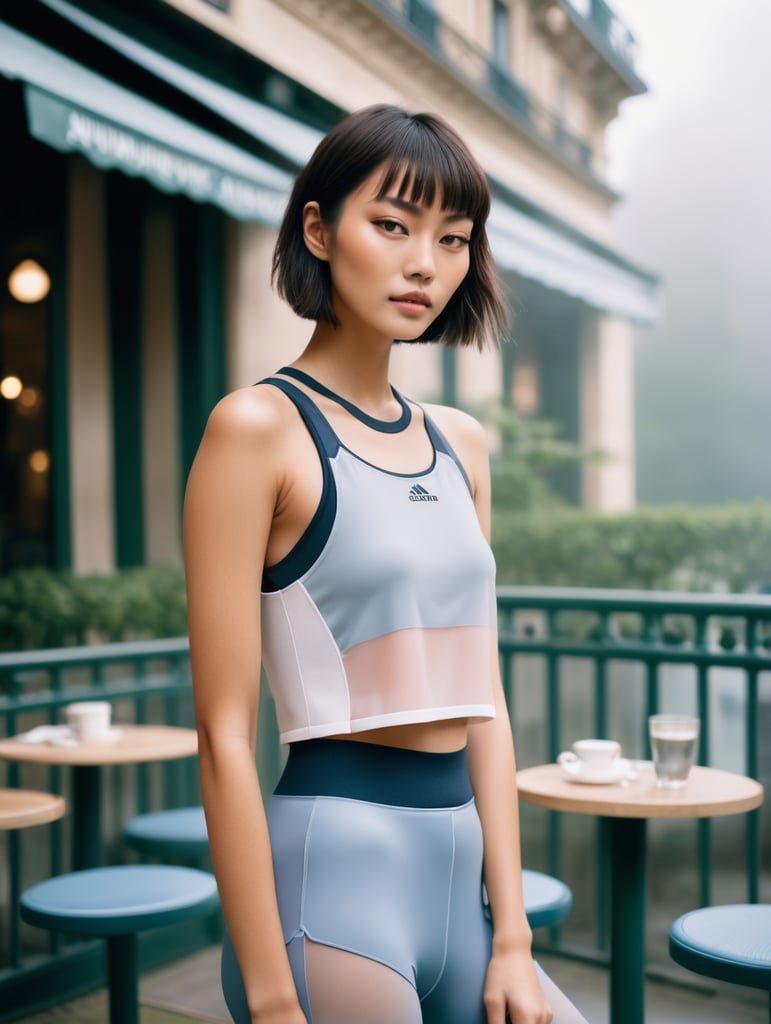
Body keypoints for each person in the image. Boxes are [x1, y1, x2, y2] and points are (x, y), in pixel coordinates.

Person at [184, 104, 588, 1024]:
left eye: (453, 239)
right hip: (332, 876)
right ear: (319, 229)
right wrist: (273, 996)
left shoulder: (462, 445)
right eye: (392, 226)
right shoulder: (257, 430)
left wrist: (514, 937)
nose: (424, 264)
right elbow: (221, 737)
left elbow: (482, 697)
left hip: (461, 883)